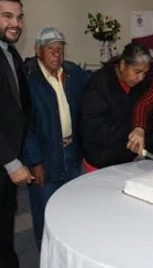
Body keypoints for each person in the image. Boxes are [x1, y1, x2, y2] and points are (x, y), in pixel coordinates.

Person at [22, 27, 88, 249]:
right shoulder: (27, 78)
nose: (56, 54)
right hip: (44, 156)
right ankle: (45, 255)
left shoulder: (73, 73)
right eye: (50, 49)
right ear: (38, 50)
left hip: (72, 152)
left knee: (71, 207)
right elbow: (25, 125)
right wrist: (34, 161)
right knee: (46, 211)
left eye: (60, 49)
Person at [0, 0, 33, 268]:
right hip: (4, 159)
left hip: (9, 160)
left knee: (6, 221)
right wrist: (11, 162)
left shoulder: (11, 52)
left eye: (20, 17)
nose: (16, 23)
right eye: (7, 16)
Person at [81, 43, 151, 169]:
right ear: (123, 65)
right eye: (137, 72)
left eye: (145, 73)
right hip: (100, 162)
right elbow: (94, 127)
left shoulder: (142, 84)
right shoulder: (98, 84)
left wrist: (141, 129)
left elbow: (148, 110)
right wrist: (132, 133)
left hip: (128, 160)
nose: (141, 78)